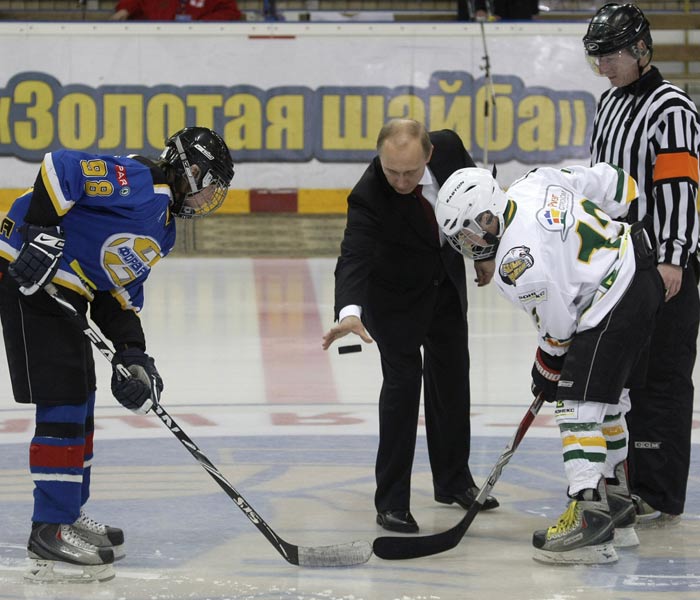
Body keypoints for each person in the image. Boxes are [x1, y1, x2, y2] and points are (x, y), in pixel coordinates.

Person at [0, 127, 235, 582]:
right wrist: (44, 233)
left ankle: (66, 513)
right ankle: (48, 529)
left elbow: (118, 294)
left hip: (64, 293)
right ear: (191, 169)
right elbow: (60, 167)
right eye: (210, 184)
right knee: (63, 398)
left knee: (80, 400)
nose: (209, 198)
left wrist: (134, 356)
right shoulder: (143, 180)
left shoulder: (162, 231)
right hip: (24, 273)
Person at [436, 163, 664, 564]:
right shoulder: (531, 181)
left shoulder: (514, 263)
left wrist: (546, 368)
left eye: (470, 232)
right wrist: (624, 202)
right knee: (608, 402)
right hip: (638, 270)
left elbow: (559, 327)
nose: (469, 245)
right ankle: (617, 505)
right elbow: (608, 181)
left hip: (611, 298)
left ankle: (588, 517)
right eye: (461, 239)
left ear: (488, 213)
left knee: (575, 405)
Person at [321, 118, 498, 534]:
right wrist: (350, 311)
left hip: (445, 288)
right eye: (392, 171)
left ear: (430, 154)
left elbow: (482, 201)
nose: (401, 181)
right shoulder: (368, 196)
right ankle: (392, 502)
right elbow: (353, 257)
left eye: (411, 172)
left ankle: (454, 481)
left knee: (453, 380)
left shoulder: (451, 149)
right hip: (394, 301)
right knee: (403, 389)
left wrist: (486, 250)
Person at [583, 3, 700, 527]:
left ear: (640, 50)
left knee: (664, 378)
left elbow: (680, 187)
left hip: (662, 265)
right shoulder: (608, 105)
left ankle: (658, 489)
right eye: (597, 58)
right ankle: (625, 478)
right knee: (624, 374)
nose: (603, 67)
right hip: (618, 263)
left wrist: (673, 259)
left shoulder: (670, 107)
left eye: (610, 56)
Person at [110, 0, 242, 21]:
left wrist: (202, 25)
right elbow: (134, 2)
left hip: (200, 49)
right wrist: (125, 9)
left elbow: (231, 12)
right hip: (156, 47)